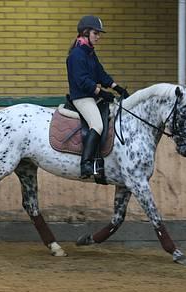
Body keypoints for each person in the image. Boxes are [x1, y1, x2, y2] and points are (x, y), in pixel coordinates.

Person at [66, 15, 129, 179]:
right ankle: (86, 164)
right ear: (85, 33)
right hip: (82, 98)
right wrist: (101, 93)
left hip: (92, 96)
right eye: (96, 33)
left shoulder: (90, 53)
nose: (98, 37)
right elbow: (83, 81)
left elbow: (100, 73)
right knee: (98, 125)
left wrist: (117, 88)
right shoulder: (76, 55)